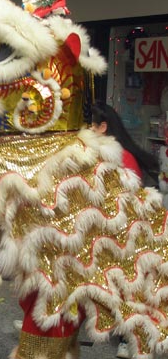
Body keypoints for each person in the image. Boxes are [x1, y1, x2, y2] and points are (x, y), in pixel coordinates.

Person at [91, 102, 158, 359]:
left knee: (124, 287)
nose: (89, 129)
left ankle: (127, 339)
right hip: (117, 230)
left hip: (127, 233)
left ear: (103, 127)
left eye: (92, 125)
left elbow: (127, 196)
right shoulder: (113, 152)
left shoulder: (121, 156)